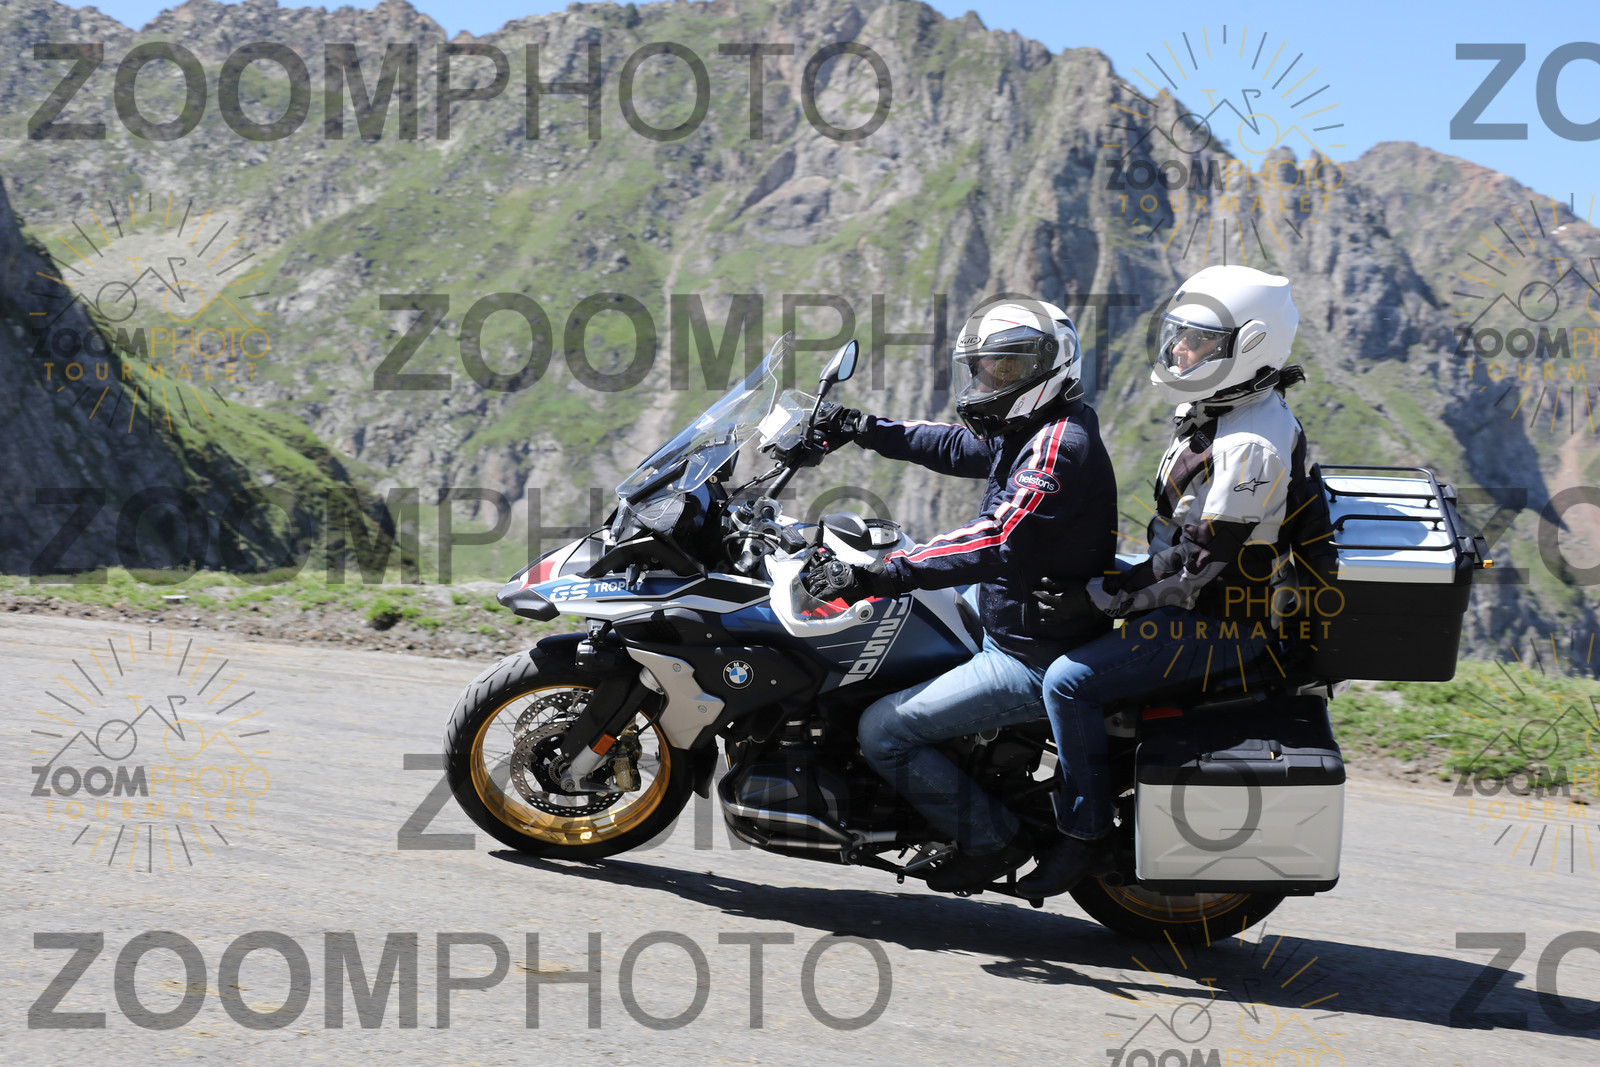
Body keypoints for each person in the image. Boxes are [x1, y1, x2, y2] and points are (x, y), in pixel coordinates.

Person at [793, 299, 1118, 892]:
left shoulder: (1057, 447)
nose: (989, 379)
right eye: (984, 367)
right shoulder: (1030, 428)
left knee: (883, 731)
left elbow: (997, 537)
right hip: (1007, 618)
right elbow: (953, 447)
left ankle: (989, 840)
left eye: (1005, 367)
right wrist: (862, 428)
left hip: (1029, 654)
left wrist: (882, 574)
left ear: (1047, 368)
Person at [1019, 265, 1321, 898]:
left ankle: (1084, 831)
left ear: (1250, 347)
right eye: (1179, 334)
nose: (1180, 349)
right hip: (1194, 590)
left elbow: (1196, 565)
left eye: (1199, 340)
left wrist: (1098, 597)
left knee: (1069, 683)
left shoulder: (1250, 446)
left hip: (1218, 620)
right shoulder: (1229, 405)